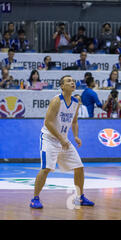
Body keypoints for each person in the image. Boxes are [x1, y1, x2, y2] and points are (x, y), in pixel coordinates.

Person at [29, 75, 95, 209]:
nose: (72, 82)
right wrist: (61, 139)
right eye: (69, 81)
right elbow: (48, 122)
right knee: (46, 168)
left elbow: (75, 121)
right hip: (49, 138)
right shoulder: (56, 101)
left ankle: (80, 197)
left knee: (79, 167)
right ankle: (34, 198)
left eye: (73, 81)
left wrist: (76, 136)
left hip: (63, 140)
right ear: (62, 86)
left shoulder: (76, 102)